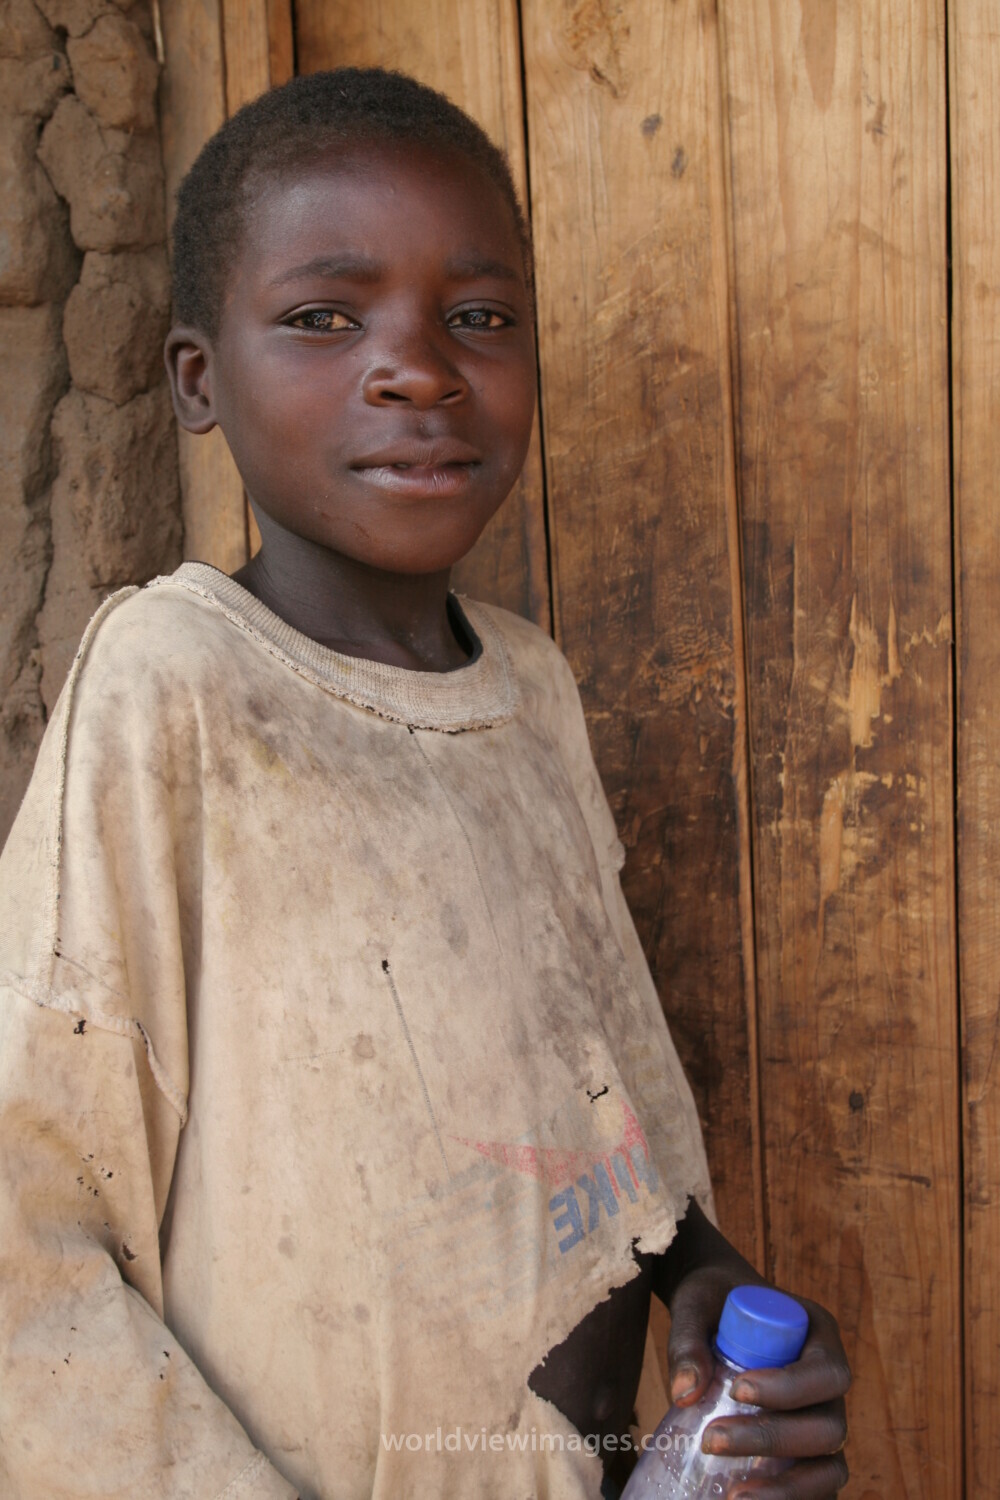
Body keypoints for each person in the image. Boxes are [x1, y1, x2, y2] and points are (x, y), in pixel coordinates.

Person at [0, 69, 849, 1500]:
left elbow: (607, 1073)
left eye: (479, 318)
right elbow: (29, 1230)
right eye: (327, 318)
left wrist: (704, 1277)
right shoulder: (173, 685)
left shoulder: (532, 690)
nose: (420, 369)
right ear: (200, 381)